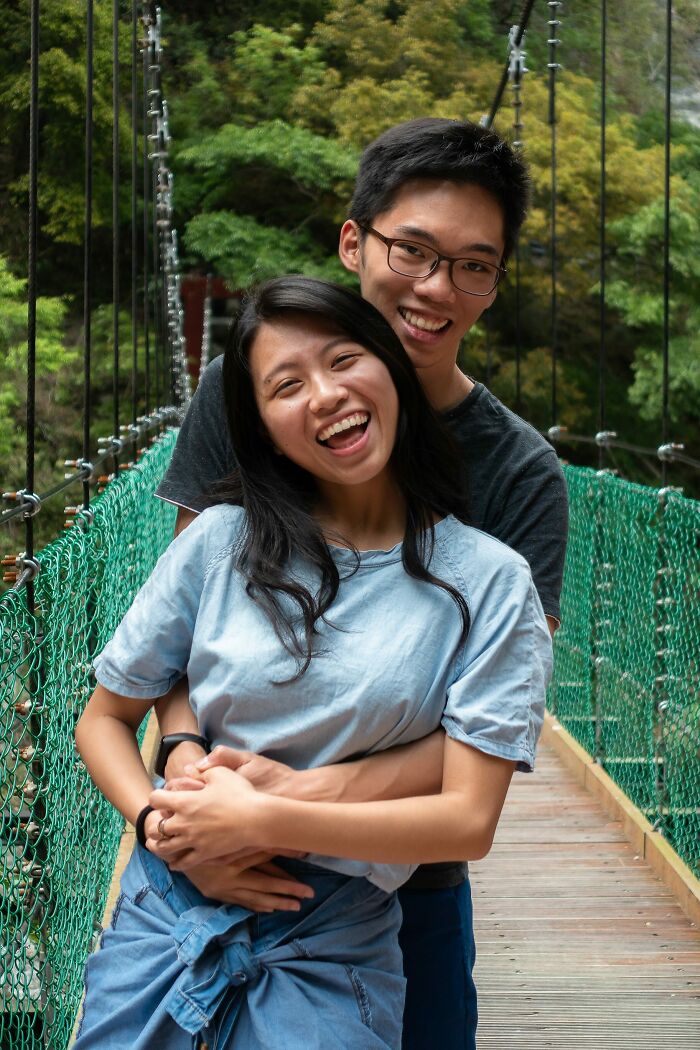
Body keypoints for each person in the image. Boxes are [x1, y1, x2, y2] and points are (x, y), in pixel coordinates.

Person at [154, 118, 569, 1049]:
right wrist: (184, 778)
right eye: (412, 250)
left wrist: (292, 804)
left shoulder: (518, 474)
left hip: (405, 879)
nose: (437, 288)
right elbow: (177, 638)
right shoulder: (245, 395)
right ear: (354, 242)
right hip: (210, 858)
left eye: (474, 266)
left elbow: (500, 719)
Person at [74, 277, 552, 1050]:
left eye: (344, 359)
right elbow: (104, 718)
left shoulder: (490, 581)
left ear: (392, 370)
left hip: (330, 928)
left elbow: (468, 821)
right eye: (286, 385)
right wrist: (158, 822)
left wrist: (266, 819)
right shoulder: (219, 541)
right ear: (263, 427)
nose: (326, 395)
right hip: (167, 898)